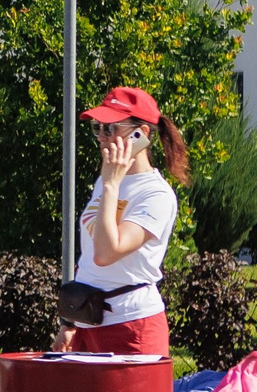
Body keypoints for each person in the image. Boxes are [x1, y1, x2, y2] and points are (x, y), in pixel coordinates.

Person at [59, 86, 184, 356]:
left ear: (141, 134)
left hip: (131, 326)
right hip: (88, 322)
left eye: (111, 128)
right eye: (98, 128)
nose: (103, 138)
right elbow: (90, 255)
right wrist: (70, 322)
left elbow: (106, 253)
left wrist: (111, 185)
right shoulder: (107, 181)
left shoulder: (156, 195)